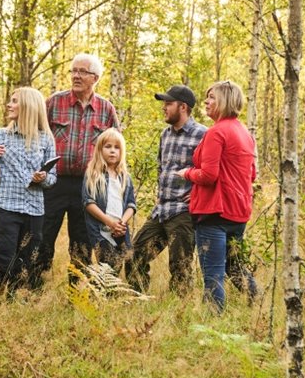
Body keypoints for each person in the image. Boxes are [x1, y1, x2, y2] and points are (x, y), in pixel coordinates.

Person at [36, 53, 121, 286]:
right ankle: (33, 287)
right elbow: (36, 138)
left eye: (82, 71)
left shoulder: (106, 109)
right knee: (44, 234)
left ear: (95, 77)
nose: (76, 75)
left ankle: (78, 292)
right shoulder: (54, 102)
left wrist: (110, 184)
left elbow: (116, 148)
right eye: (73, 71)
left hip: (88, 185)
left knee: (82, 241)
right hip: (54, 182)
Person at [174, 81, 258, 313]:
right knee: (234, 267)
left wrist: (186, 173)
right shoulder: (244, 132)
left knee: (213, 275)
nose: (207, 102)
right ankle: (257, 307)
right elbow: (251, 174)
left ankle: (213, 324)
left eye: (211, 97)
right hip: (237, 213)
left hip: (214, 215)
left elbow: (209, 175)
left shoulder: (217, 132)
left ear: (224, 101)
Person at [0, 87, 57, 302]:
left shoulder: (46, 138)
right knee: (2, 260)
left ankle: (13, 310)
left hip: (34, 211)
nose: (9, 105)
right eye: (10, 101)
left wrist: (43, 178)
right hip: (6, 209)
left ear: (29, 107)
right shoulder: (0, 135)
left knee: (24, 264)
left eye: (14, 101)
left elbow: (52, 179)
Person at [126, 85, 206, 295]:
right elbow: (162, 167)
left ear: (183, 107)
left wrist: (198, 193)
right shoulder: (165, 134)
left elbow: (212, 172)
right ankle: (138, 300)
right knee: (134, 256)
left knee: (180, 267)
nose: (164, 108)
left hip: (183, 212)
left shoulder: (203, 135)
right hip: (161, 210)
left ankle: (181, 313)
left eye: (168, 104)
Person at [80, 129, 137, 273]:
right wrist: (109, 222)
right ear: (100, 150)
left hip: (120, 230)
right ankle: (103, 295)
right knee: (107, 265)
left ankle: (122, 294)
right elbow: (88, 203)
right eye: (108, 147)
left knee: (123, 263)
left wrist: (121, 223)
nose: (112, 151)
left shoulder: (124, 177)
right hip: (101, 231)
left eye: (116, 148)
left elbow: (131, 204)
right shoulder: (93, 175)